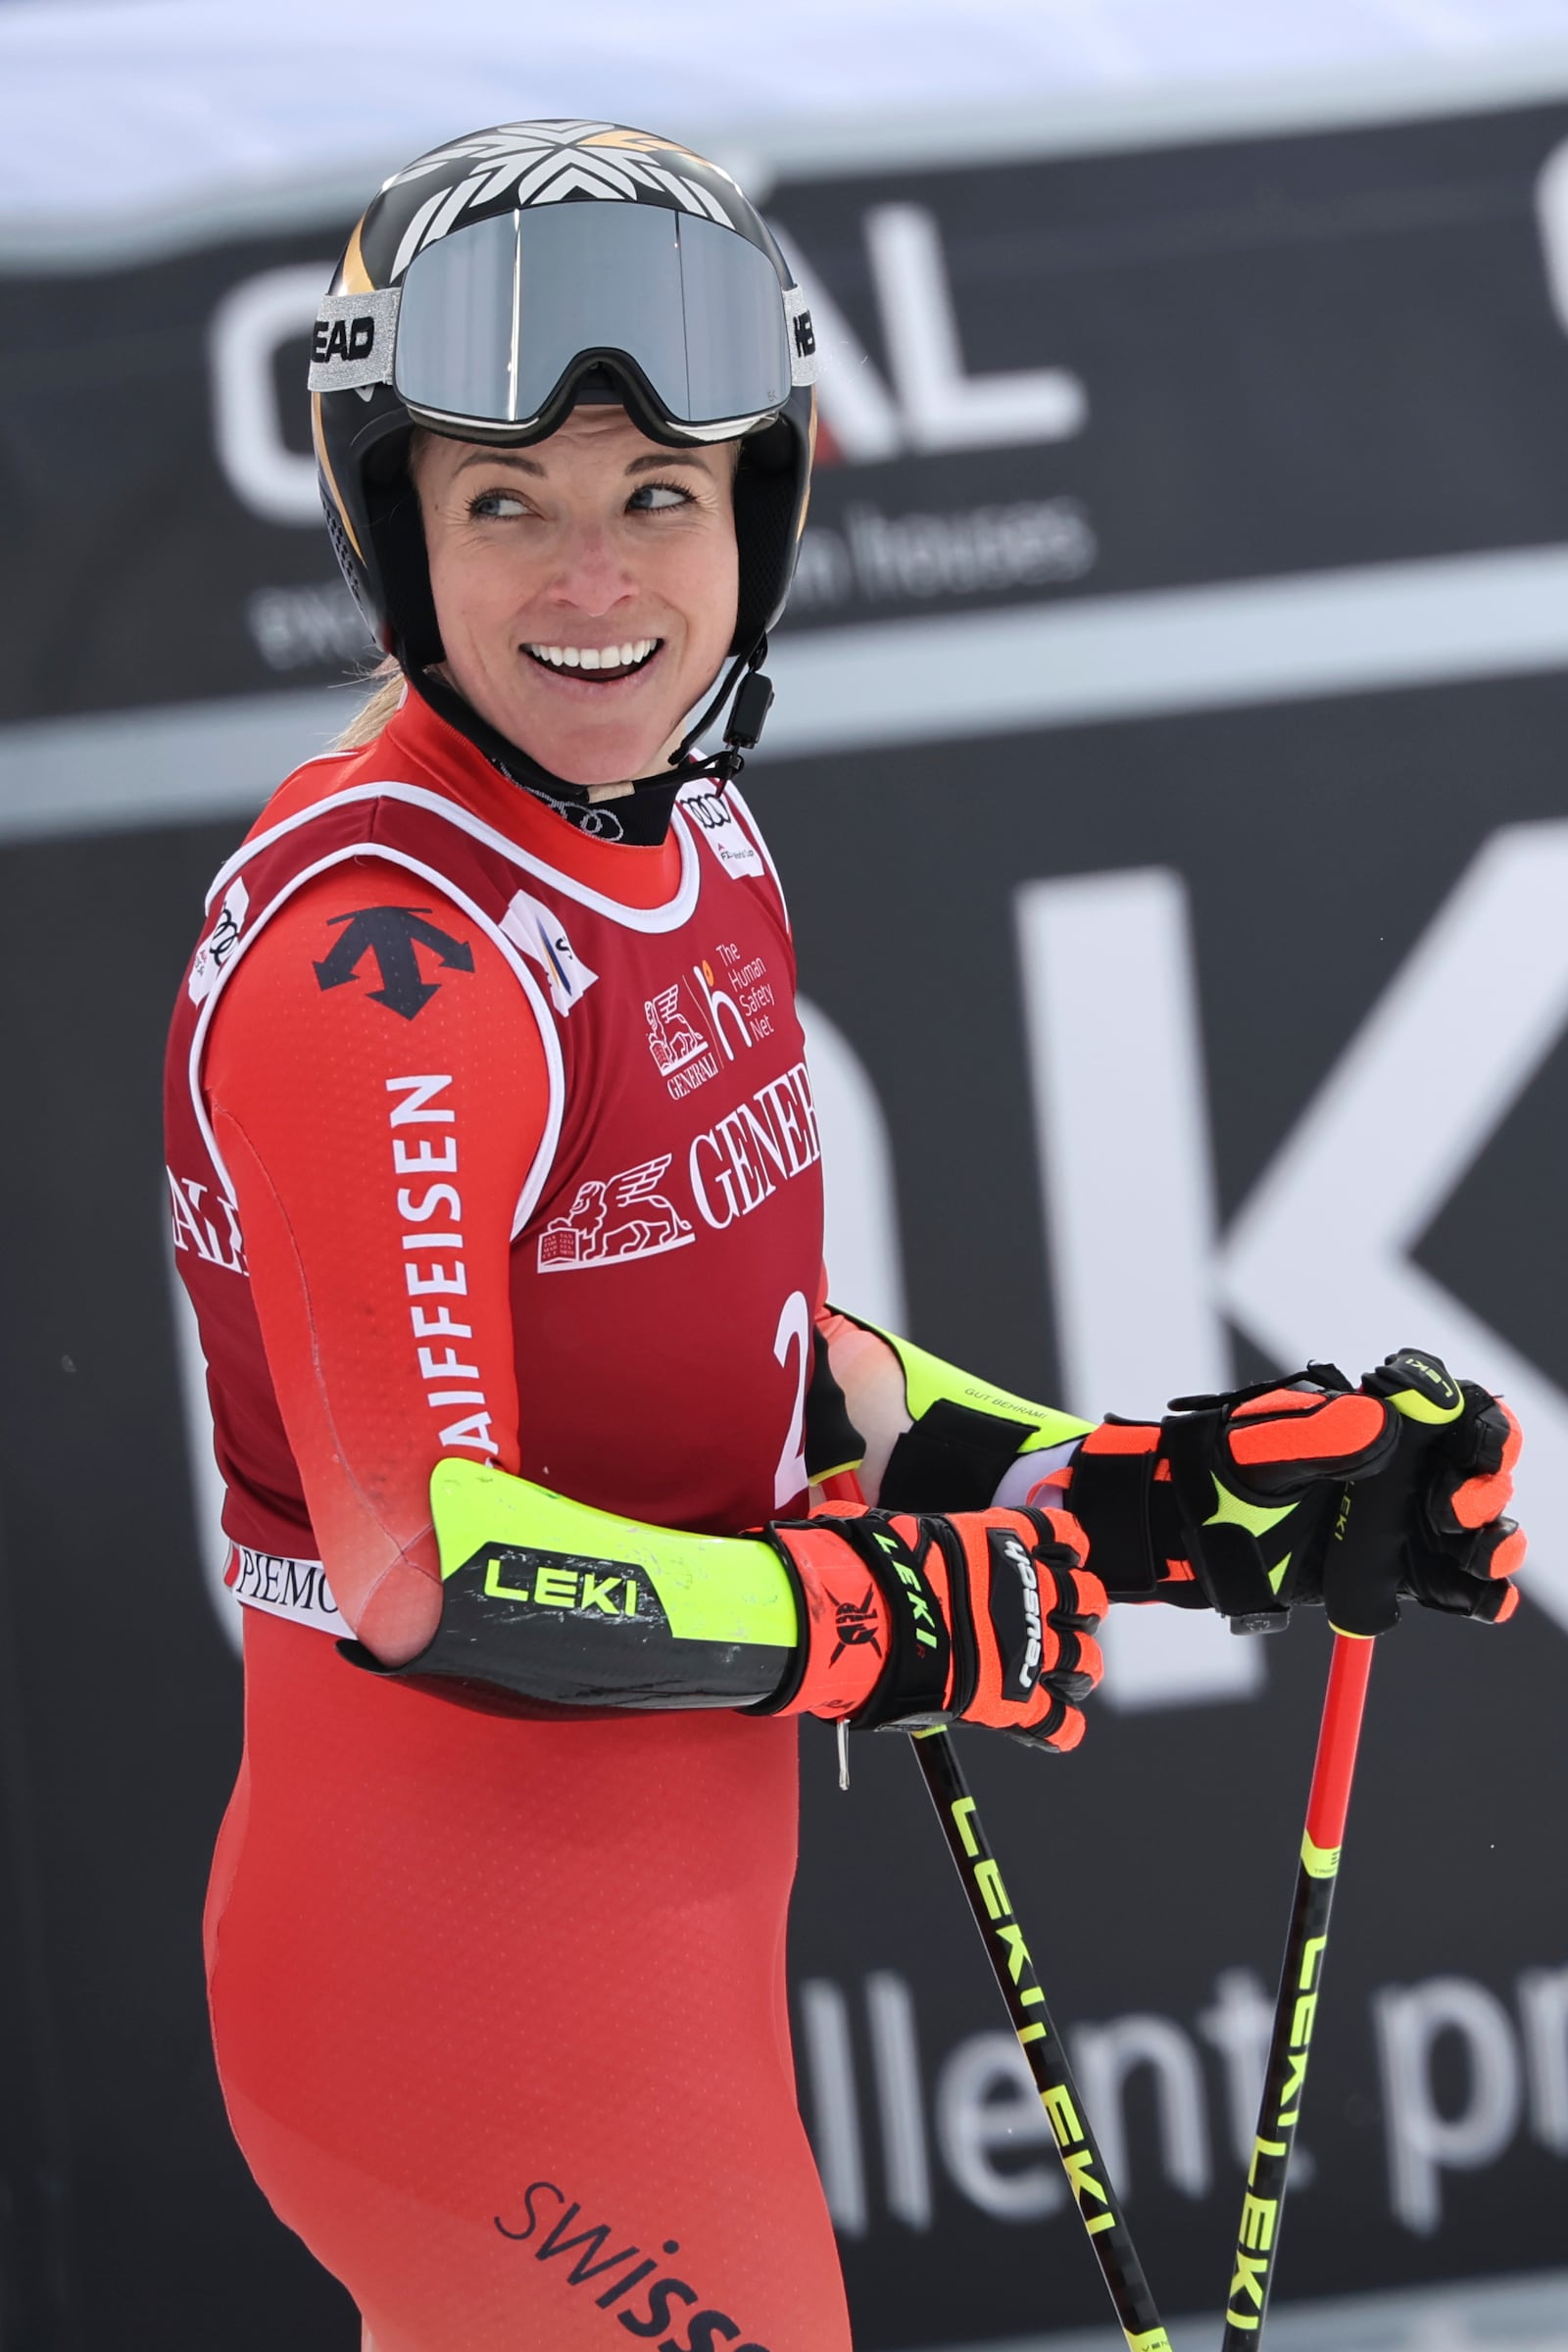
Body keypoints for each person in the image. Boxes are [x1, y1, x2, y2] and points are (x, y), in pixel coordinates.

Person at [165, 121, 1526, 2352]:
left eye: (654, 497)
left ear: (755, 510)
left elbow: (764, 1372)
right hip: (465, 1987)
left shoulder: (683, 835)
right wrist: (872, 1620)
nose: (591, 579)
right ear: (394, 528)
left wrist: (1149, 1501)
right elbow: (441, 1570)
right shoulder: (387, 963)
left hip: (641, 1958)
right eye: (504, 502)